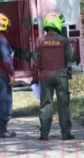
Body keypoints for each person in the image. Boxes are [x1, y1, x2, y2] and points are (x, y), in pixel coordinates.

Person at [32, 12, 75, 141]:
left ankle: (44, 134)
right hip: (61, 75)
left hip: (45, 76)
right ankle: (66, 133)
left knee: (46, 104)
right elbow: (71, 57)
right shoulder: (63, 40)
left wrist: (35, 77)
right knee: (63, 104)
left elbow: (35, 62)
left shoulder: (40, 41)